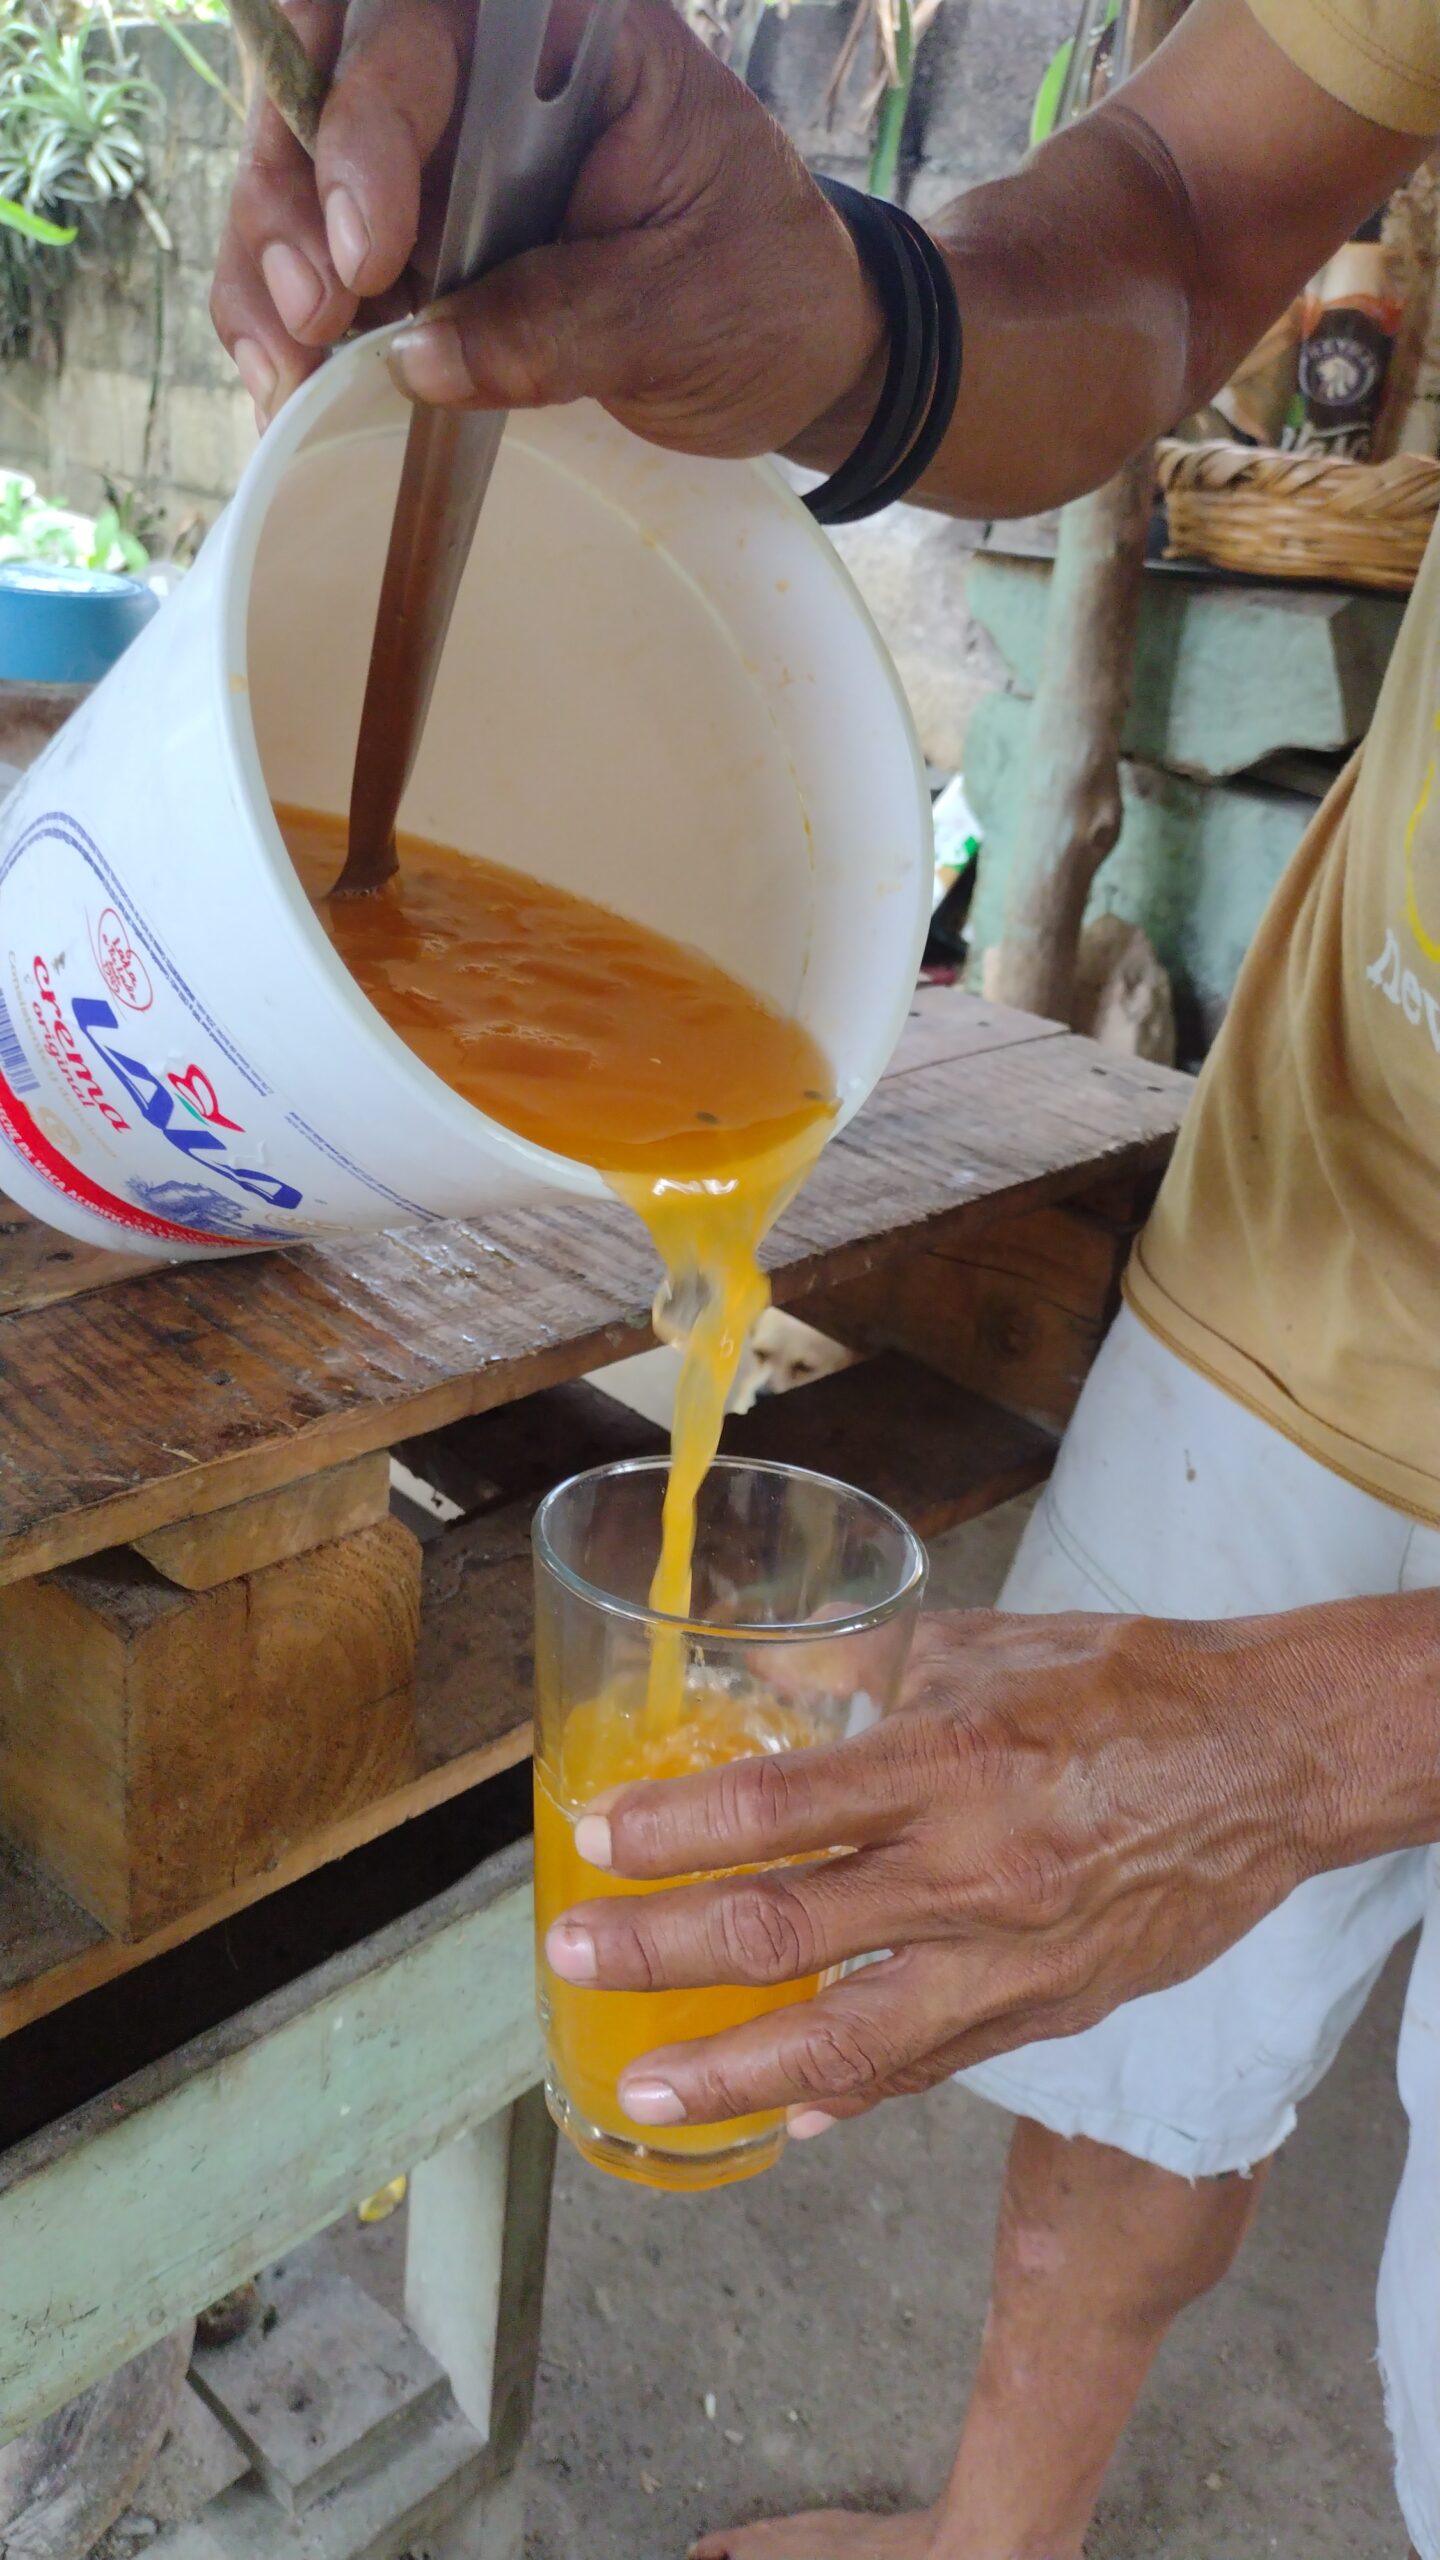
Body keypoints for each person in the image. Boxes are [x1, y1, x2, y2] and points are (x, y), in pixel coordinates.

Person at [214, 3, 1440, 2551]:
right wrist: (854, 314)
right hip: (1344, 1207)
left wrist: (1312, 1743)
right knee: (1121, 2049)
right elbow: (1191, 214)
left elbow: (1283, 1761)